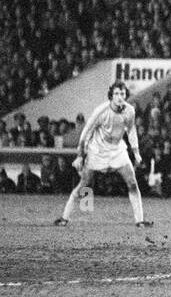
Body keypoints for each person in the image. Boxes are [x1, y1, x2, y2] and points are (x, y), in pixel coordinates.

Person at [55, 80, 152, 227]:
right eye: (117, 94)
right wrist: (81, 155)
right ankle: (64, 218)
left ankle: (140, 221)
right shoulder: (101, 111)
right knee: (84, 184)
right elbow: (86, 132)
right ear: (111, 96)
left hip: (118, 150)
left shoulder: (130, 110)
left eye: (123, 93)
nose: (120, 96)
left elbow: (131, 131)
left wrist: (136, 152)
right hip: (97, 151)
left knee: (132, 183)